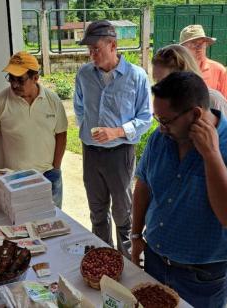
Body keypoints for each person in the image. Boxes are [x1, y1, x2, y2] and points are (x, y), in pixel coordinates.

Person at [130, 72, 227, 307]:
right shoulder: (159, 141)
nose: (161, 128)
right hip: (155, 261)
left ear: (196, 114)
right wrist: (136, 234)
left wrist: (211, 155)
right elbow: (143, 186)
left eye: (166, 121)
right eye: (157, 119)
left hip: (203, 277)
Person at [73, 20, 151, 256]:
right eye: (89, 50)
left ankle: (128, 263)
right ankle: (103, 258)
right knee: (97, 212)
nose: (91, 54)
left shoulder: (136, 76)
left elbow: (146, 118)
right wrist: (89, 131)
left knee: (123, 214)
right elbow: (79, 108)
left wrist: (116, 132)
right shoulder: (84, 74)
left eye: (96, 48)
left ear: (113, 45)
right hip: (91, 153)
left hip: (120, 154)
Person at [0, 51, 68, 208]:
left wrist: (56, 167)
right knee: (21, 222)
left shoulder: (53, 101)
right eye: (11, 78)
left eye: (20, 80)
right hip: (15, 178)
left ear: (35, 78)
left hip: (49, 175)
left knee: (53, 220)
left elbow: (61, 135)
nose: (14, 84)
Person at [152, 44, 227, 121]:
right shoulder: (167, 104)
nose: (159, 88)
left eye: (164, 82)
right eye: (156, 81)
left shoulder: (213, 100)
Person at [180, 24, 227, 105]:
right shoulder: (174, 71)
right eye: (193, 43)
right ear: (183, 49)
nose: (199, 47)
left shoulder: (219, 70)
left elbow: (225, 106)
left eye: (202, 43)